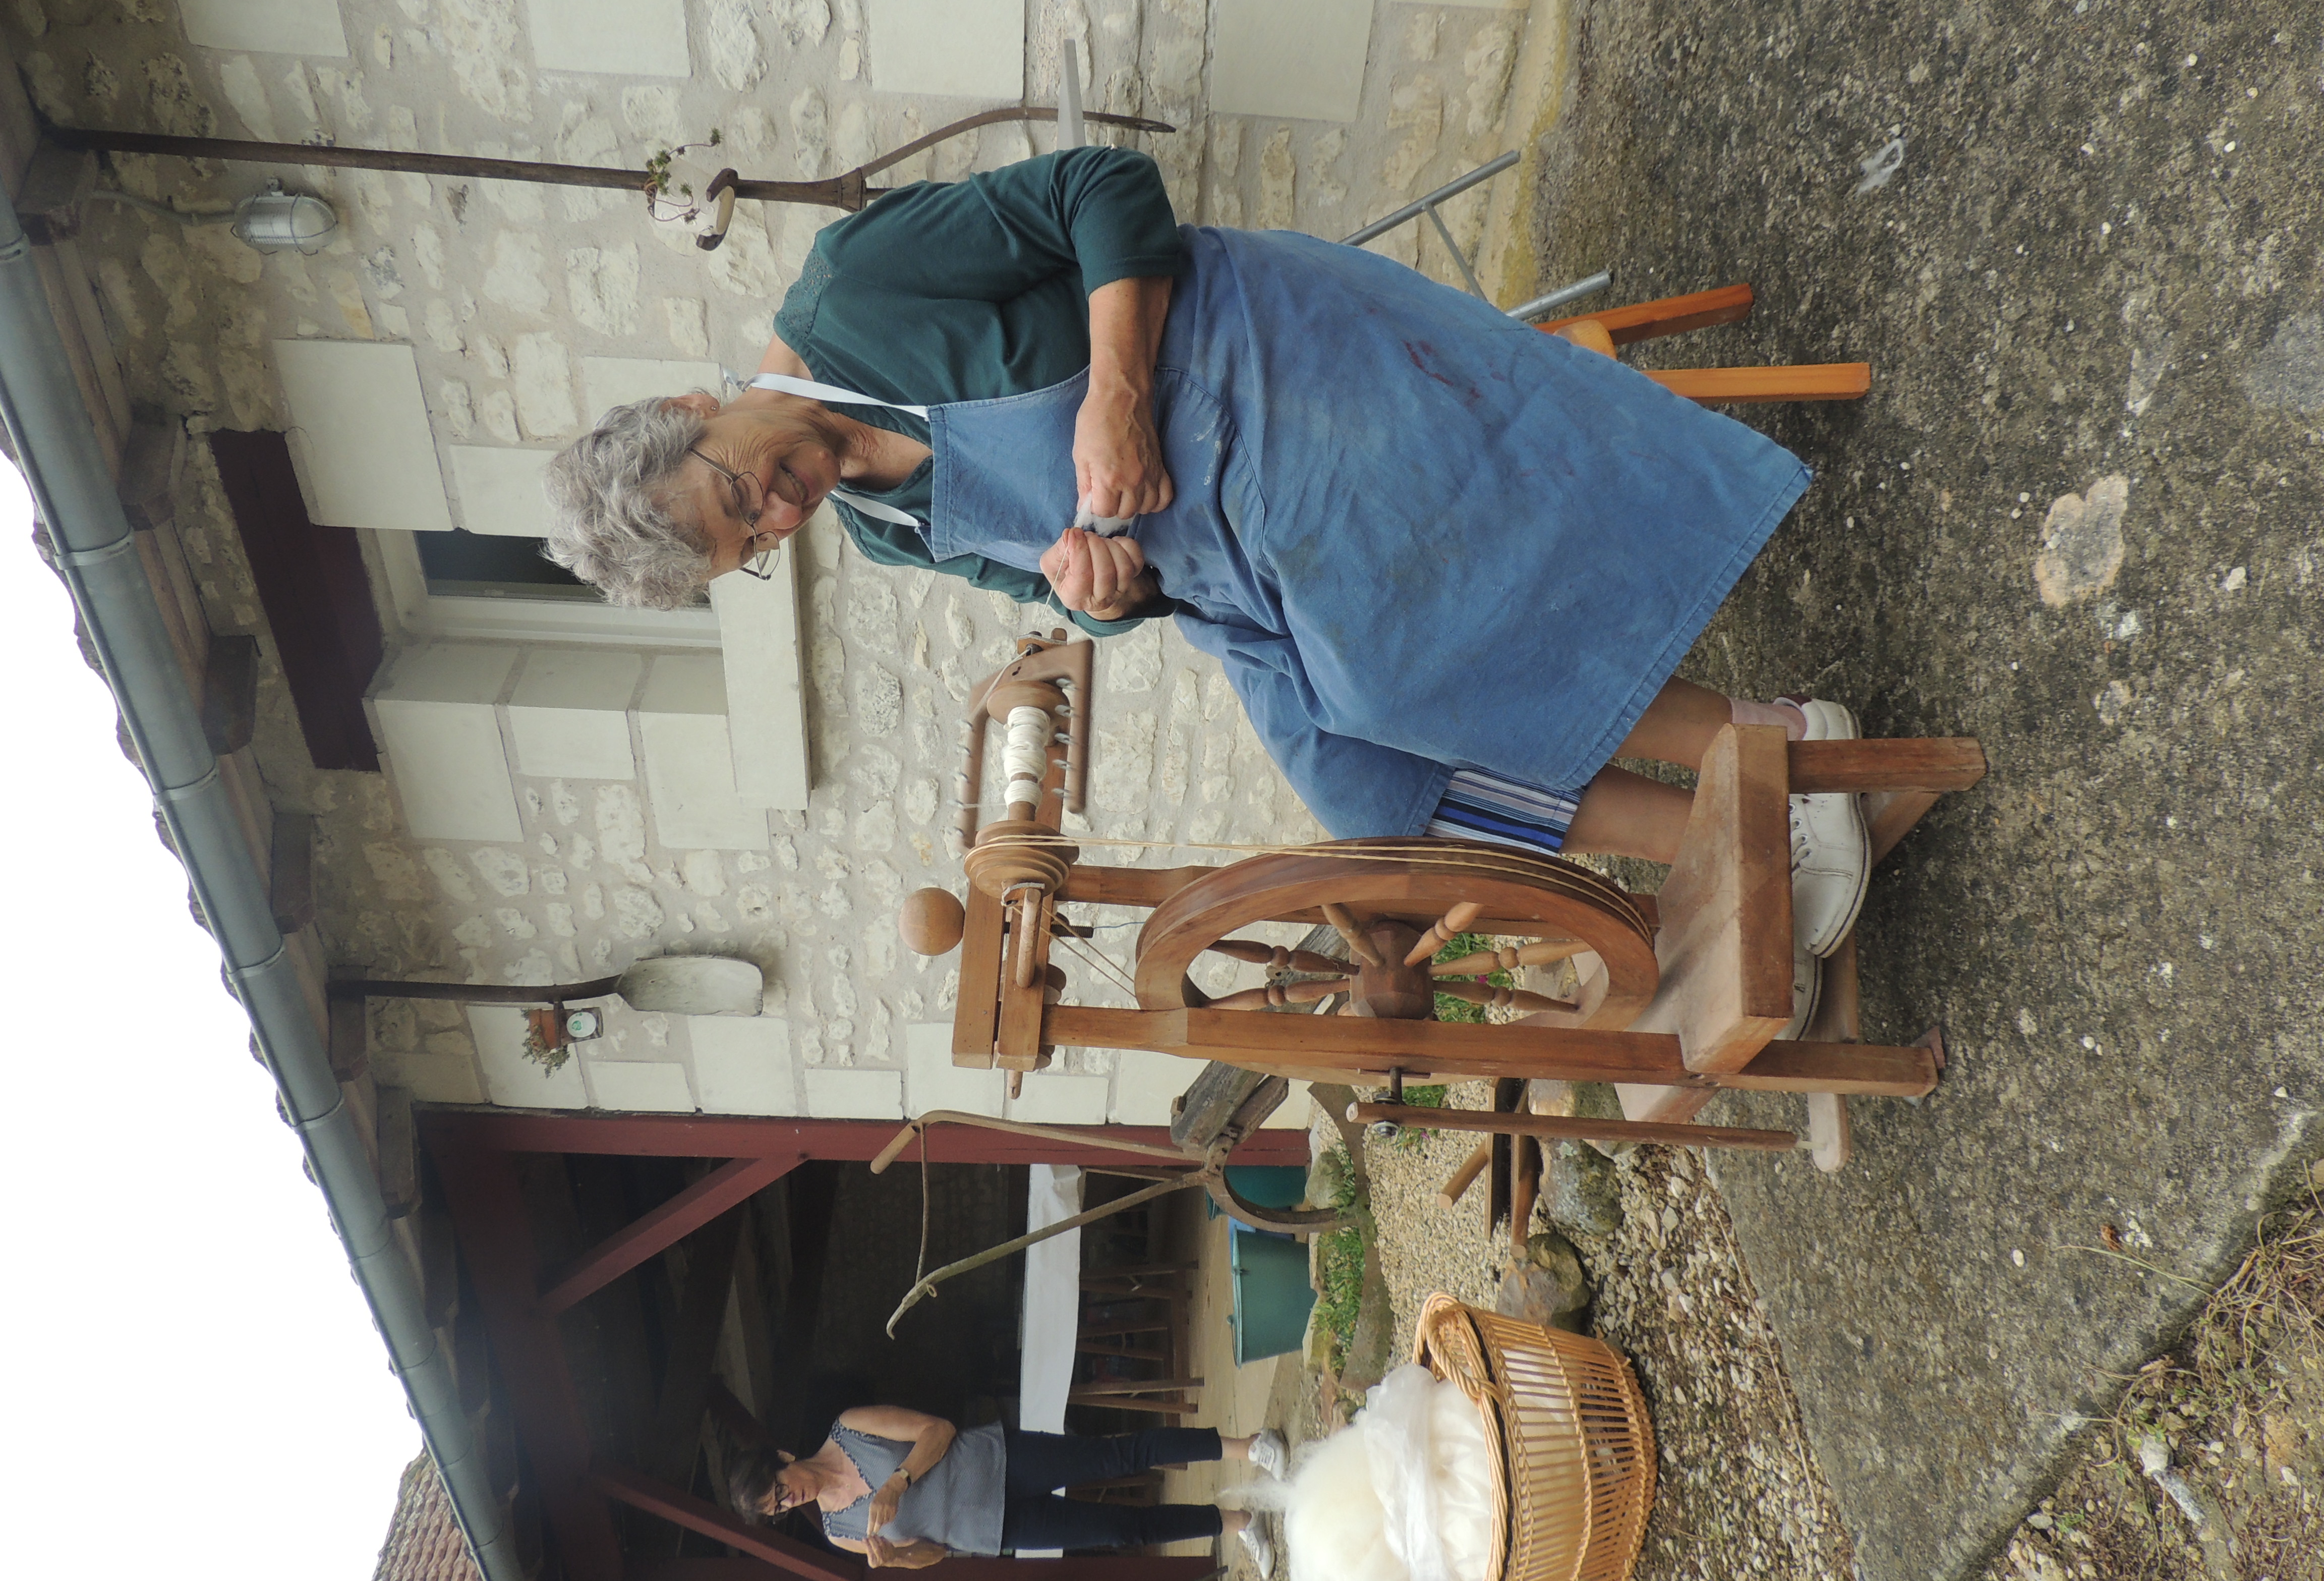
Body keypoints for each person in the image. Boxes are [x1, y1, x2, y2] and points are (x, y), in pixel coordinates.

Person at [544, 147, 1871, 1013]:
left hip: (1255, 362)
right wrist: (1094, 592)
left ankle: (1782, 755)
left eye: (739, 489)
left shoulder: (858, 290)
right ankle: (1717, 847)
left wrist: (1115, 394)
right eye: (755, 540)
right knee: (1361, 784)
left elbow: (1110, 190)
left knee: (1410, 658)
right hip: (1216, 556)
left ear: (693, 404)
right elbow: (1097, 596)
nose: (782, 508)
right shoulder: (884, 529)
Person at [727, 1404, 1288, 1572]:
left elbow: (939, 1429)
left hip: (1003, 1461)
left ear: (782, 1460)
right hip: (994, 1529)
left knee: (1117, 1455)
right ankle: (1238, 1523)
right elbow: (937, 1554)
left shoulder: (849, 1426)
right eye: (776, 1510)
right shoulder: (836, 1530)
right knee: (1122, 1529)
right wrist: (896, 1560)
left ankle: (1247, 1445)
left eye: (778, 1489)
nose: (786, 1502)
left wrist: (898, 1481)